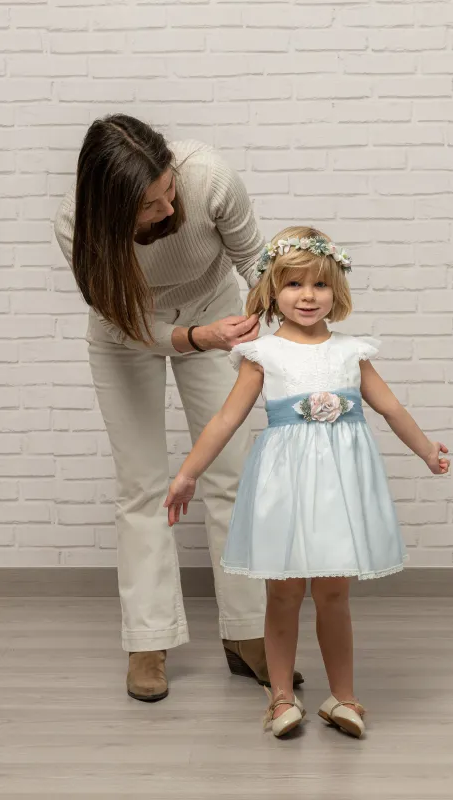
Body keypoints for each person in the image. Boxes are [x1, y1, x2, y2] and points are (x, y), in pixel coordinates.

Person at [53, 114, 303, 702]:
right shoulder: (75, 226)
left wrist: (280, 315)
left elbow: (255, 262)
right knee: (141, 485)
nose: (168, 210)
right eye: (149, 205)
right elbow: (128, 321)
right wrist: (194, 338)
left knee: (232, 475)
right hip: (128, 330)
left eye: (169, 190)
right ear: (111, 209)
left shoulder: (207, 175)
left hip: (213, 307)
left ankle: (247, 634)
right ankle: (148, 638)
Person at [164, 226, 450, 738]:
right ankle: (280, 696)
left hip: (339, 488)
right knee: (284, 593)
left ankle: (344, 696)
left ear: (334, 290)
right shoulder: (264, 355)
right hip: (284, 487)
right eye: (294, 284)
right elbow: (226, 421)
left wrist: (427, 449)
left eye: (318, 284)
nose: (307, 295)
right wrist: (187, 474)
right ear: (273, 290)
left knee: (335, 593)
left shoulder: (350, 352)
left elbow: (390, 408)